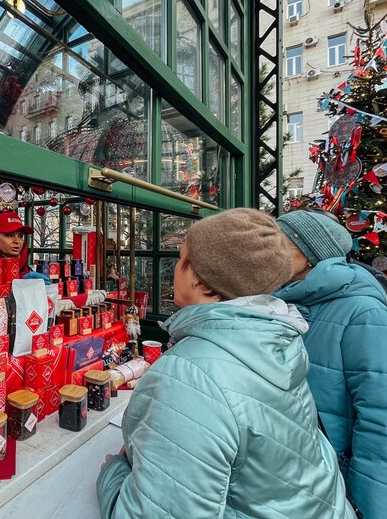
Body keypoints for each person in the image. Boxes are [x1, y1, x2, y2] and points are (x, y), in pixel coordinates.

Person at [97, 208, 355, 519]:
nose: (175, 268)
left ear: (203, 283)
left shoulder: (191, 376)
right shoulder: (277, 341)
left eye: (182, 259)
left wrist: (113, 474)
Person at [275, 210, 387, 519]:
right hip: (290, 477)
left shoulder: (365, 315)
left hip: (332, 482)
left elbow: (386, 426)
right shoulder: (283, 303)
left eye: (278, 242)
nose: (268, 251)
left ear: (310, 252)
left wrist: (375, 511)